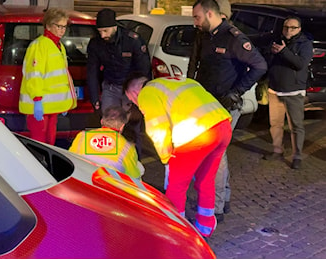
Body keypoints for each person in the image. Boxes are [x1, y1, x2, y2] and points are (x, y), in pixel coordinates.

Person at [123, 73, 232, 238]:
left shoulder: (147, 92)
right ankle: (205, 225)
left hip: (196, 133)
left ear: (134, 92)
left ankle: (177, 232)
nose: (134, 104)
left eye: (131, 100)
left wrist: (166, 157)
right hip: (222, 125)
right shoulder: (176, 81)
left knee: (176, 186)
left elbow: (157, 128)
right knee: (206, 180)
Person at [192, 0, 268, 223]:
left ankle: (215, 205)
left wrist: (237, 91)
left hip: (225, 104)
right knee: (217, 152)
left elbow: (260, 66)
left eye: (196, 17)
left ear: (209, 14)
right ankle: (222, 199)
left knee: (215, 152)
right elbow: (199, 66)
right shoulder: (206, 35)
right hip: (207, 102)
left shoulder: (234, 38)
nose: (194, 21)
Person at [87, 8, 151, 157]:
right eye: (100, 31)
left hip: (131, 89)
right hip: (110, 87)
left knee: (131, 128)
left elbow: (144, 71)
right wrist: (95, 98)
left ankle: (134, 162)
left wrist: (138, 100)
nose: (102, 35)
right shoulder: (96, 43)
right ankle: (110, 161)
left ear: (114, 26)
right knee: (109, 124)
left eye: (105, 31)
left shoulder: (133, 40)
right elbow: (92, 71)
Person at [19, 8, 77, 145]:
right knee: (39, 142)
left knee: (49, 142)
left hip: (51, 106)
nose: (62, 30)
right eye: (59, 26)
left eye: (64, 27)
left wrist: (64, 102)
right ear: (48, 25)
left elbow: (61, 76)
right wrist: (37, 99)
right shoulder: (39, 46)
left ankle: (46, 166)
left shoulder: (58, 46)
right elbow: (34, 75)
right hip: (39, 105)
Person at [263, 16, 313, 170]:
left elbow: (300, 64)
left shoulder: (304, 44)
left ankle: (297, 155)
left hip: (294, 92)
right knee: (275, 124)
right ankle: (277, 150)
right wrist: (271, 52)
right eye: (286, 27)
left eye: (293, 28)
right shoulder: (276, 40)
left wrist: (284, 51)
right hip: (275, 89)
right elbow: (268, 61)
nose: (288, 30)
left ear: (299, 29)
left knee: (296, 126)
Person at [69, 106, 142, 179]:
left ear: (101, 121)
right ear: (122, 126)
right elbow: (134, 177)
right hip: (107, 186)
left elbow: (69, 160)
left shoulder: (82, 135)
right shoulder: (127, 147)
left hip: (81, 180)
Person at [187, 0, 232, 79]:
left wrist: (237, 89)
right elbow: (194, 58)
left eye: (223, 17)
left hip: (223, 84)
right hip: (204, 80)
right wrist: (190, 79)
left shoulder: (232, 35)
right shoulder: (202, 33)